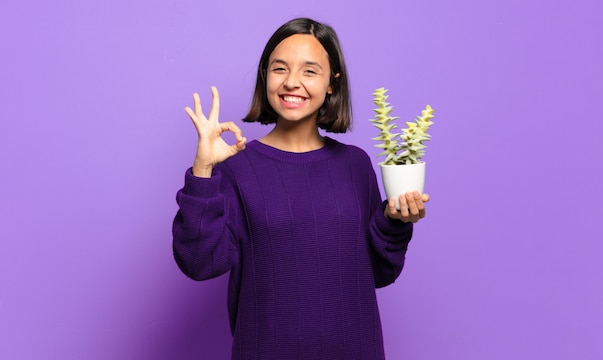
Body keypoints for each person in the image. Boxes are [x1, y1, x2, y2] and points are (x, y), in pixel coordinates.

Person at [172, 17, 429, 360]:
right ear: (266, 77)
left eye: (309, 71)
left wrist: (394, 222)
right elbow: (198, 263)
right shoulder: (235, 168)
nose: (292, 82)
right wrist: (203, 169)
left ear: (332, 83)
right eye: (280, 69)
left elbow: (379, 273)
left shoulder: (356, 165)